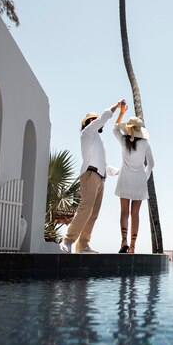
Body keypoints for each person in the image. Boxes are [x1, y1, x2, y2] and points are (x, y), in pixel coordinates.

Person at [59, 99, 125, 254]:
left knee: (93, 213)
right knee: (86, 208)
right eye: (92, 120)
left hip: (101, 178)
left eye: (96, 120)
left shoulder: (98, 141)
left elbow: (105, 166)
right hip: (90, 174)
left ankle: (83, 245)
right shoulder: (87, 133)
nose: (96, 121)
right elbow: (104, 117)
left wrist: (120, 171)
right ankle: (68, 240)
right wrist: (116, 106)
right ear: (87, 123)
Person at [113, 103, 154, 253]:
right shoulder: (145, 143)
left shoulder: (124, 140)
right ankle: (132, 246)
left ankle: (123, 241)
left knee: (124, 212)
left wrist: (121, 113)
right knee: (135, 213)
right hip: (139, 181)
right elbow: (151, 164)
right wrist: (145, 175)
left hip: (125, 179)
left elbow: (115, 128)